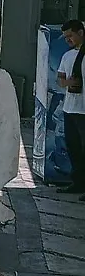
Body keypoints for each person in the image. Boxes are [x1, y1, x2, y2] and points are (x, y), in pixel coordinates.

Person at [56, 20, 85, 198]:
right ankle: (78, 182)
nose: (68, 40)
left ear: (81, 32)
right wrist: (68, 83)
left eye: (70, 36)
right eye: (65, 37)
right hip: (71, 108)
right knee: (74, 148)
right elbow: (60, 79)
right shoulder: (67, 56)